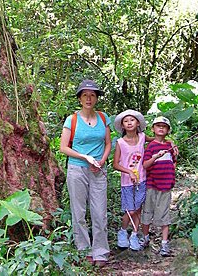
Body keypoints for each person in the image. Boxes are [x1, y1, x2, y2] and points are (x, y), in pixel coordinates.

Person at [60, 79, 111, 267]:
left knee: (99, 212)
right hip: (77, 169)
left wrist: (102, 161)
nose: (89, 98)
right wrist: (85, 157)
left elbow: (107, 143)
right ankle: (84, 251)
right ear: (80, 98)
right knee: (79, 212)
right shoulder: (72, 120)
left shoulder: (103, 118)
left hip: (98, 170)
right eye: (85, 95)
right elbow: (63, 148)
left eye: (92, 95)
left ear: (96, 98)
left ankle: (101, 252)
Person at [113, 109, 152, 251]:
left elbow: (157, 140)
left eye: (132, 120)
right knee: (130, 210)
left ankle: (134, 235)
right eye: (126, 121)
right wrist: (129, 171)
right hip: (127, 182)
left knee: (138, 209)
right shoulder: (120, 142)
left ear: (137, 123)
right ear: (122, 126)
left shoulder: (142, 137)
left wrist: (169, 142)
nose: (129, 123)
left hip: (142, 179)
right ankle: (123, 232)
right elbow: (115, 164)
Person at [141, 116, 178, 256]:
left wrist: (171, 175)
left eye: (164, 126)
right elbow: (145, 165)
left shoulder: (170, 146)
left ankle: (164, 244)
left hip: (166, 186)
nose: (161, 128)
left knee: (164, 214)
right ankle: (145, 239)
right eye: (158, 126)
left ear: (168, 130)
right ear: (153, 129)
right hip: (152, 185)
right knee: (147, 212)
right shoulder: (151, 146)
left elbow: (174, 162)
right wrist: (155, 157)